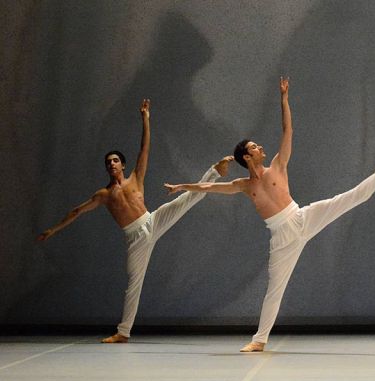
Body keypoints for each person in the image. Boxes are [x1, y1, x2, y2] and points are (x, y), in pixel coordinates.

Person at [165, 78, 375, 351]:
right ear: (246, 157)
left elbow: (288, 130)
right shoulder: (244, 185)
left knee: (351, 197)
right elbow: (208, 187)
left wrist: (284, 99)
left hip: (301, 217)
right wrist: (181, 186)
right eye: (255, 147)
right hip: (281, 236)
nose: (261, 148)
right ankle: (259, 341)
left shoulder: (278, 165)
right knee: (275, 289)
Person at [37, 99, 233, 343]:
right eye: (108, 162)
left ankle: (215, 170)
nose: (111, 164)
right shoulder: (104, 194)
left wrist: (145, 119)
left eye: (115, 160)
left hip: (151, 221)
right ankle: (123, 332)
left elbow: (144, 149)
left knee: (187, 199)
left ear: (122, 165)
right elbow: (77, 211)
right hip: (135, 238)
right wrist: (53, 230)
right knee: (134, 284)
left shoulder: (135, 178)